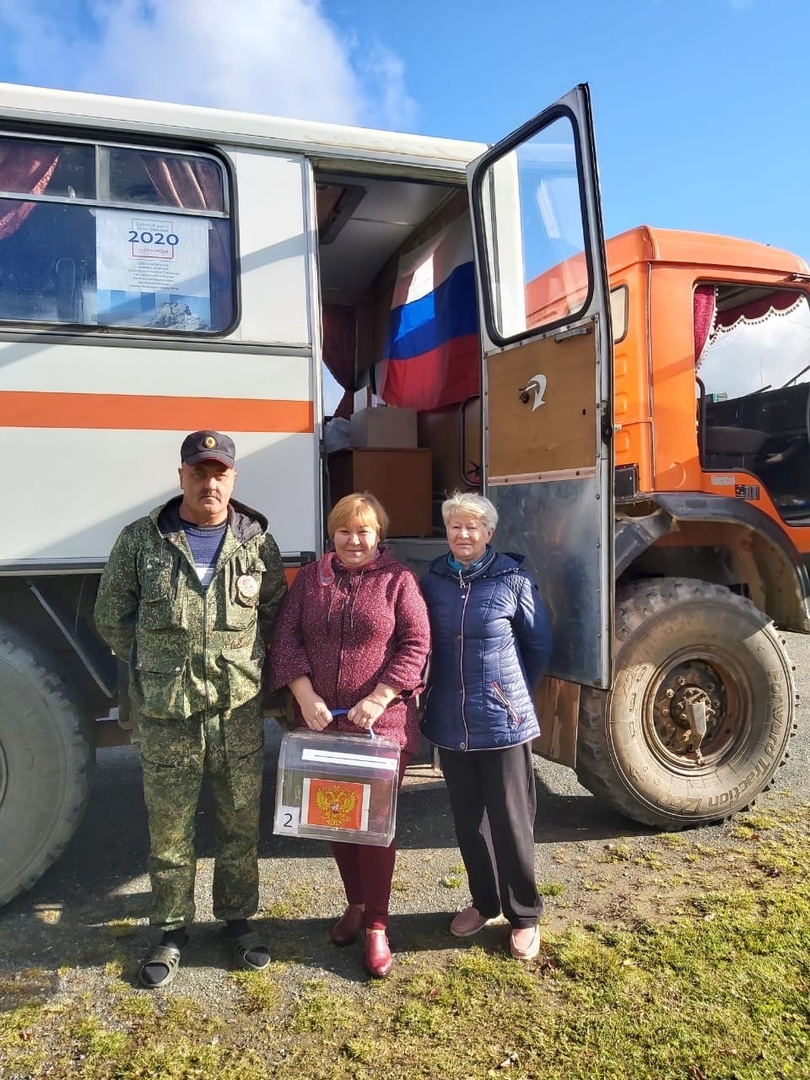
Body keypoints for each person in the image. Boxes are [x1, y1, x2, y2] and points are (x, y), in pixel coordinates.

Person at [94, 430, 286, 988]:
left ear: (233, 478)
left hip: (237, 712)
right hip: (168, 713)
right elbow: (112, 615)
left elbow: (276, 616)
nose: (210, 483)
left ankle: (237, 922)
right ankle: (172, 931)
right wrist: (159, 661)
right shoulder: (141, 540)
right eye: (199, 472)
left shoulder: (256, 543)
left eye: (219, 472)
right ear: (181, 476)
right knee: (171, 832)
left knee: (239, 825)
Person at [268, 492, 430, 978]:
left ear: (378, 534)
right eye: (344, 530)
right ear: (332, 534)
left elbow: (416, 642)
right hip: (322, 722)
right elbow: (286, 638)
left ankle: (378, 924)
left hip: (380, 727)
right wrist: (303, 694)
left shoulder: (398, 580)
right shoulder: (311, 580)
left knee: (374, 828)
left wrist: (379, 698)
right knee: (337, 819)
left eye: (363, 531)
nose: (353, 540)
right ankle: (355, 905)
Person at [420, 492, 552, 961]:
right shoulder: (432, 580)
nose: (464, 534)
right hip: (449, 720)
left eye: (473, 527)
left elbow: (538, 645)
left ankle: (525, 914)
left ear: (490, 533)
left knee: (512, 820)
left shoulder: (513, 580)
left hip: (502, 722)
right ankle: (484, 902)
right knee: (468, 821)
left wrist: (508, 696)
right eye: (455, 526)